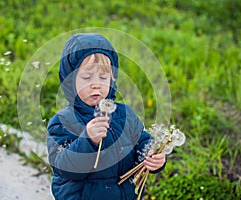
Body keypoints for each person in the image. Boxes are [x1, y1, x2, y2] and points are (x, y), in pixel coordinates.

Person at [47, 33, 166, 200]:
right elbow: (64, 168)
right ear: (69, 81)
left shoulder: (125, 115)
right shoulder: (62, 122)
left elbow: (143, 141)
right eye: (87, 77)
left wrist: (152, 155)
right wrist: (87, 140)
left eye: (103, 77)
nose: (96, 84)